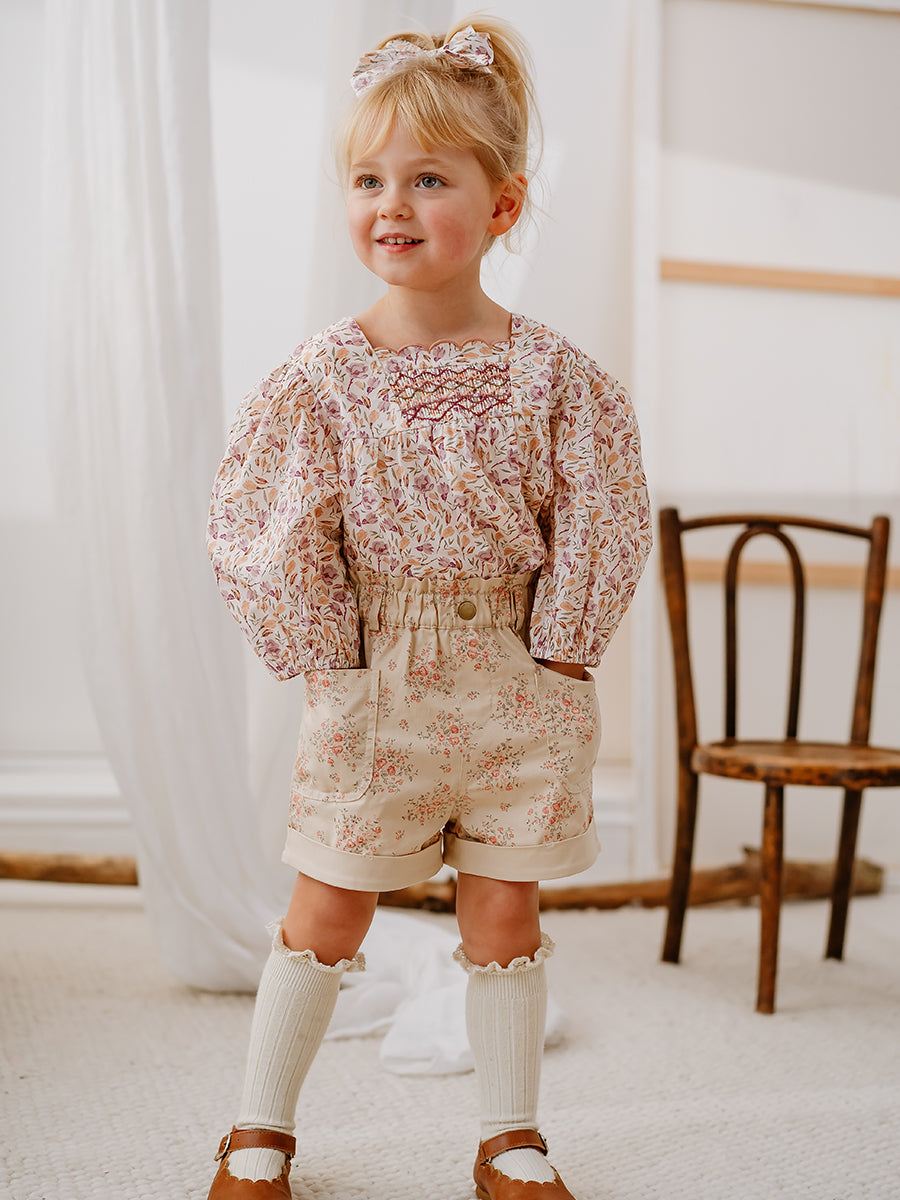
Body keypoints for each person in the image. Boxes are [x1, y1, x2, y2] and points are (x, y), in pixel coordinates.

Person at [205, 15, 651, 1200]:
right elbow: (267, 522)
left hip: (517, 676)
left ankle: (510, 1136)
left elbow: (602, 511)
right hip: (375, 677)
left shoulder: (556, 377)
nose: (390, 205)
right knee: (328, 906)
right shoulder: (321, 377)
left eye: (428, 180)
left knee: (503, 911)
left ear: (502, 206)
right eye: (368, 180)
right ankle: (258, 1127)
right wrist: (328, 654)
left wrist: (564, 651)